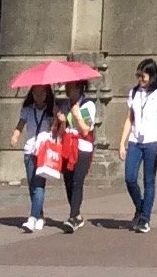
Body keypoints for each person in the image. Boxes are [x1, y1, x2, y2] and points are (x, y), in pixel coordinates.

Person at [121, 58, 157, 234]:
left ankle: (145, 218)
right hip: (135, 141)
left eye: (143, 76)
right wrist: (122, 143)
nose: (140, 80)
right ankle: (140, 206)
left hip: (153, 140)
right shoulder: (134, 93)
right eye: (138, 76)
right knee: (130, 178)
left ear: (152, 75)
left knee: (149, 180)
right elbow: (129, 119)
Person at [11, 85, 59, 233]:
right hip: (29, 150)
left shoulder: (51, 111)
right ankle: (40, 215)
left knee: (39, 186)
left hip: (43, 152)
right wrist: (15, 136)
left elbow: (55, 130)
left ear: (47, 94)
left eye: (42, 93)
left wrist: (56, 120)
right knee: (32, 186)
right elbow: (20, 126)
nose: (39, 96)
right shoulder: (27, 110)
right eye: (35, 93)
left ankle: (32, 217)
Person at [57, 81, 99, 231]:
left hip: (82, 147)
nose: (67, 89)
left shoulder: (87, 105)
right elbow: (61, 130)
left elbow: (86, 129)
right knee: (68, 180)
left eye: (70, 86)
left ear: (79, 88)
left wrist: (77, 115)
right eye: (66, 86)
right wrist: (61, 122)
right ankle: (77, 214)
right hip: (68, 145)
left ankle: (73, 215)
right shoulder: (65, 105)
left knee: (77, 181)